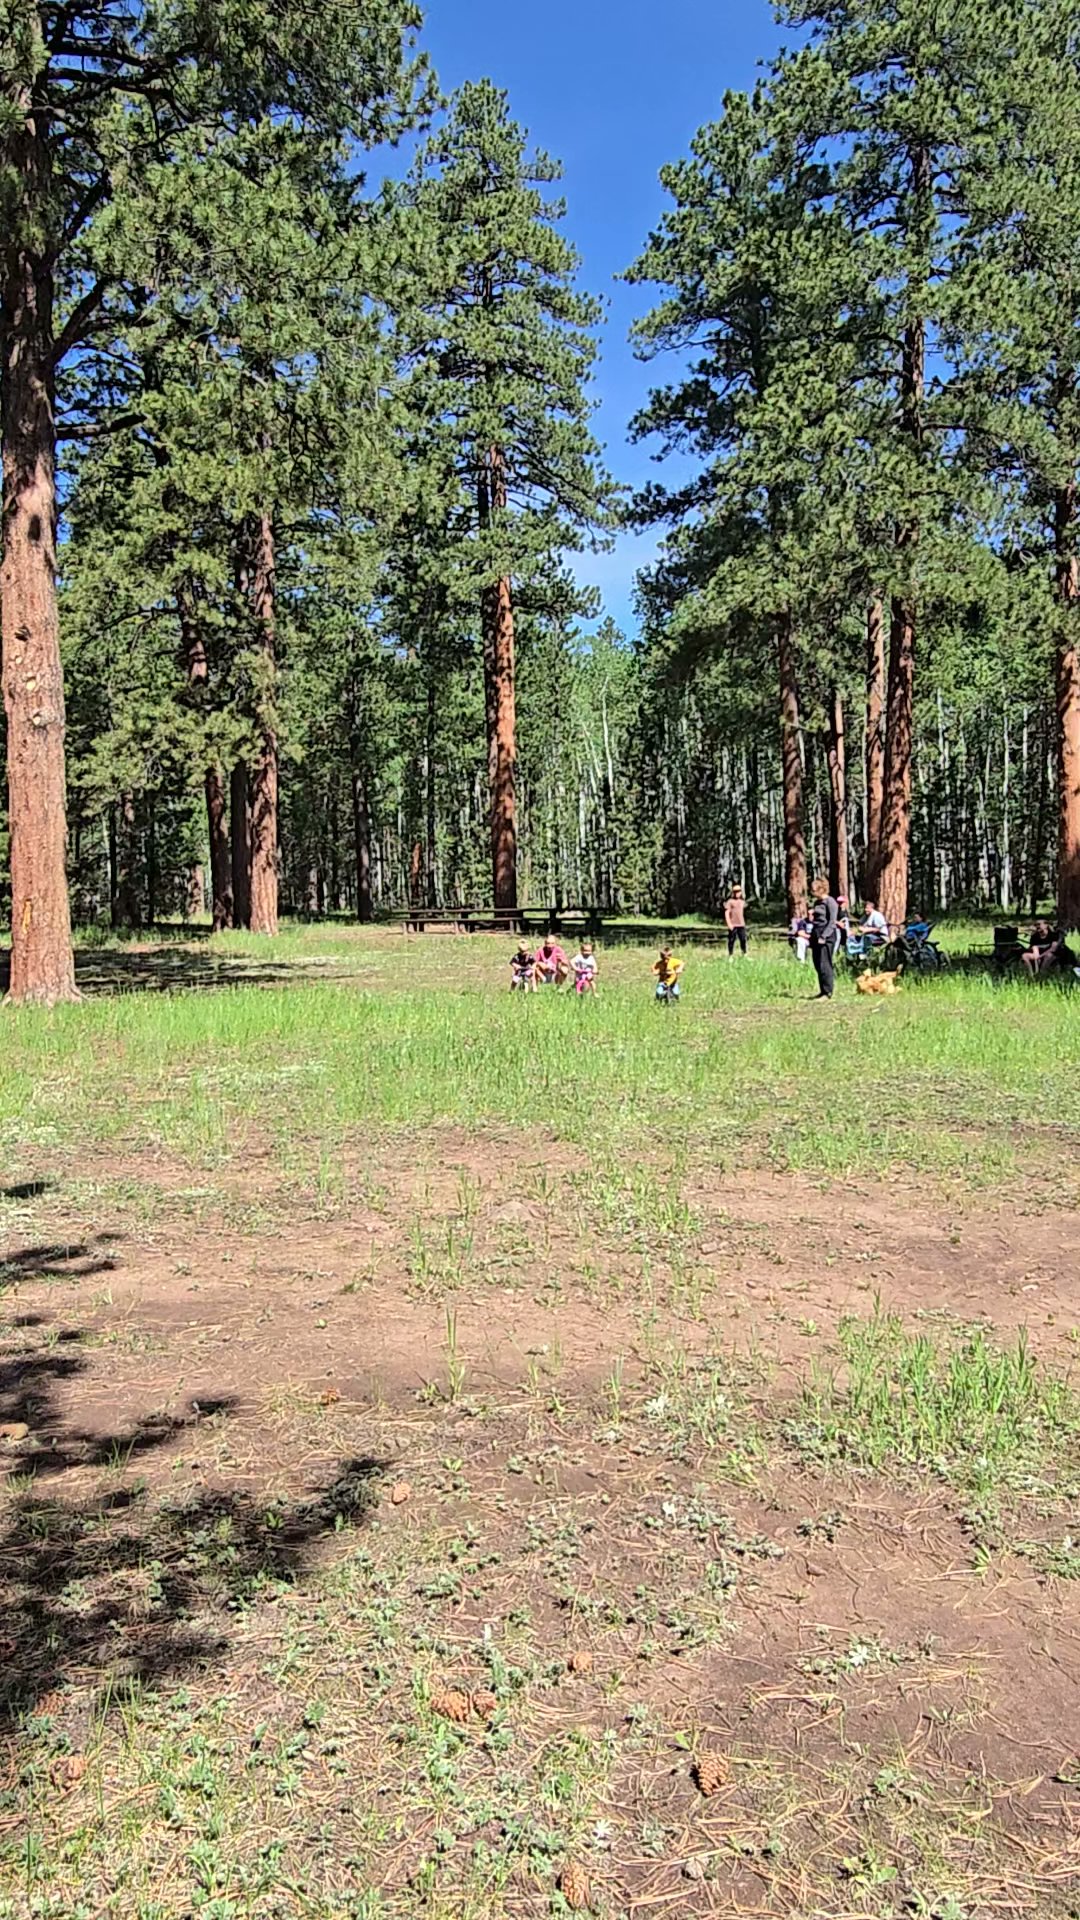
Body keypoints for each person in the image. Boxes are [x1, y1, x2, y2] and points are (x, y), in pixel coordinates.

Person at [809, 877, 839, 1000]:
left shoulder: (830, 902)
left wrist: (824, 936)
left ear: (821, 890)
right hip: (815, 933)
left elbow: (832, 922)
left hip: (826, 935)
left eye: (814, 890)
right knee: (817, 963)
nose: (812, 893)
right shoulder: (817, 903)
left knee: (824, 964)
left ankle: (828, 992)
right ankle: (822, 990)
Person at [724, 885, 748, 959]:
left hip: (741, 924)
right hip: (733, 924)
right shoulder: (730, 902)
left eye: (738, 891)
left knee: (743, 939)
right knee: (731, 940)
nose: (737, 893)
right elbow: (727, 913)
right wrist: (729, 924)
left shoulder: (742, 902)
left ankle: (744, 954)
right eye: (735, 892)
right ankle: (730, 955)